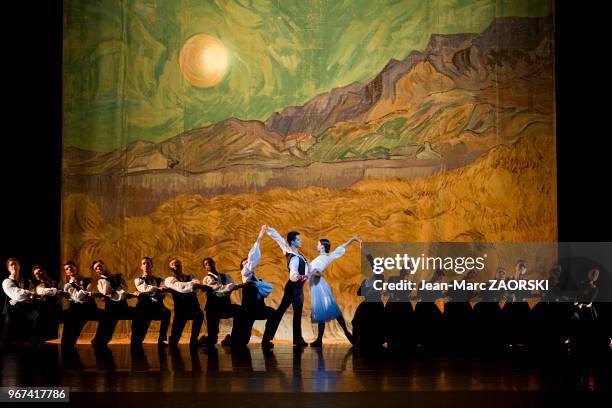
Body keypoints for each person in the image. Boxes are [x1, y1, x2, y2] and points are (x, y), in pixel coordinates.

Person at [262, 228, 311, 349]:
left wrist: (309, 271)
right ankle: (266, 339)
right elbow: (293, 275)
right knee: (280, 311)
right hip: (292, 287)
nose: (300, 241)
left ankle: (297, 339)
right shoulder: (290, 253)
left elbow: (305, 269)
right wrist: (268, 230)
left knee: (297, 312)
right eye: (298, 239)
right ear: (293, 241)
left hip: (298, 287)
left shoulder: (300, 255)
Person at [308, 236, 360, 347]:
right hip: (317, 285)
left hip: (319, 286)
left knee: (329, 309)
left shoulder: (324, 258)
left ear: (322, 247)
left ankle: (346, 334)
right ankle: (320, 339)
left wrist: (310, 272)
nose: (316, 246)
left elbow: (317, 272)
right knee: (322, 311)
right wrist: (352, 239)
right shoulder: (325, 257)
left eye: (318, 244)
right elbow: (339, 249)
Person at [230, 225, 275, 347]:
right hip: (249, 309)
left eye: (247, 264)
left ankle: (266, 340)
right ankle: (234, 342)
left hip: (258, 307)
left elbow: (265, 290)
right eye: (244, 264)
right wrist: (260, 236)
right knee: (243, 339)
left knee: (273, 314)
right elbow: (253, 256)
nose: (247, 265)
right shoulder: (245, 273)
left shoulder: (255, 279)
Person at [61, 261, 105, 348]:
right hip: (77, 311)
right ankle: (69, 346)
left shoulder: (88, 280)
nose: (70, 269)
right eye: (67, 269)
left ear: (76, 268)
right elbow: (78, 298)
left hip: (91, 309)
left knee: (107, 317)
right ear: (66, 273)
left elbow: (90, 292)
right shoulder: (67, 286)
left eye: (71, 266)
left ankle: (97, 341)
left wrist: (88, 294)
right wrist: (89, 294)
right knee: (70, 338)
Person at [200, 257, 241, 347]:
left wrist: (227, 289)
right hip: (212, 309)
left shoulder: (226, 276)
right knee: (212, 340)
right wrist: (227, 288)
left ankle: (233, 338)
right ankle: (204, 339)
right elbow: (219, 289)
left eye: (210, 262)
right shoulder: (206, 279)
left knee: (240, 310)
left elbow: (229, 288)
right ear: (205, 267)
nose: (208, 264)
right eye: (206, 264)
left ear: (214, 263)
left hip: (225, 306)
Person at [92, 260, 136, 346]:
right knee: (108, 329)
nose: (98, 268)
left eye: (99, 265)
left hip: (123, 306)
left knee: (139, 314)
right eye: (96, 268)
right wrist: (115, 289)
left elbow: (124, 290)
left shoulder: (118, 276)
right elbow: (106, 292)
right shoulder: (101, 281)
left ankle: (135, 341)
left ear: (104, 265)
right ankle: (98, 342)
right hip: (111, 308)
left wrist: (117, 290)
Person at [131, 257, 171, 347]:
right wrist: (156, 291)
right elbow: (144, 288)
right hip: (143, 308)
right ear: (141, 266)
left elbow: (163, 294)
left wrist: (146, 293)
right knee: (139, 336)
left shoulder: (159, 280)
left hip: (157, 307)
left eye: (148, 263)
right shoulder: (138, 280)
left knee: (166, 312)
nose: (146, 265)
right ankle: (136, 342)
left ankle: (162, 339)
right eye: (144, 263)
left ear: (151, 265)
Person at [163, 258, 204, 347]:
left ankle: (194, 341)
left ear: (181, 265)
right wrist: (191, 286)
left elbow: (196, 285)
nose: (176, 265)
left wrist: (189, 287)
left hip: (194, 307)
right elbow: (180, 287)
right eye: (173, 264)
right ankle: (173, 343)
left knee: (199, 315)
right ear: (170, 268)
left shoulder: (191, 277)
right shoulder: (169, 279)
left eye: (178, 263)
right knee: (175, 338)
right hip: (181, 309)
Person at [1, 258, 38, 346]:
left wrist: (18, 300)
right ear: (8, 268)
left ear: (19, 266)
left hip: (26, 311)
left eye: (16, 264)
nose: (14, 266)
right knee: (8, 341)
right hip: (12, 312)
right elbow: (17, 294)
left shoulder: (27, 281)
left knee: (37, 317)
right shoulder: (7, 282)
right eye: (11, 264)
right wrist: (26, 296)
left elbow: (34, 295)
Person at [31, 265, 64, 344]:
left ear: (45, 272)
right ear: (36, 277)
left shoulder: (57, 283)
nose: (38, 274)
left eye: (39, 271)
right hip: (43, 314)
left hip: (55, 311)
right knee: (40, 338)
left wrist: (56, 294)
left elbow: (61, 295)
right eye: (36, 273)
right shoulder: (37, 287)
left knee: (51, 338)